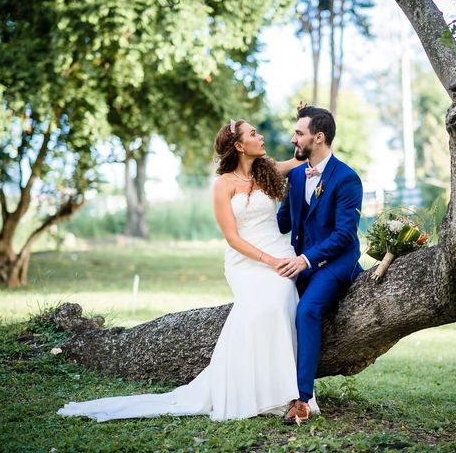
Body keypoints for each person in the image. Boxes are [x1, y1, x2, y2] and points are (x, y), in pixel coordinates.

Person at [57, 119, 320, 422]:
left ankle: (287, 393)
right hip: (246, 261)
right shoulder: (222, 185)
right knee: (260, 307)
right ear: (238, 145)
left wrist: (304, 124)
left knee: (279, 299)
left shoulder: (267, 169)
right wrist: (268, 262)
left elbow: (299, 158)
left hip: (278, 250)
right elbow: (233, 239)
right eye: (253, 134)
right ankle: (250, 390)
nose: (260, 137)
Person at [276, 105, 363, 424]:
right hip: (302, 263)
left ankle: (302, 399)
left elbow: (343, 235)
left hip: (335, 264)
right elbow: (283, 223)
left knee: (308, 310)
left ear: (319, 137)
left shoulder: (347, 179)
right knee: (274, 303)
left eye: (299, 133)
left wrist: (304, 259)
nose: (292, 139)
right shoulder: (297, 176)